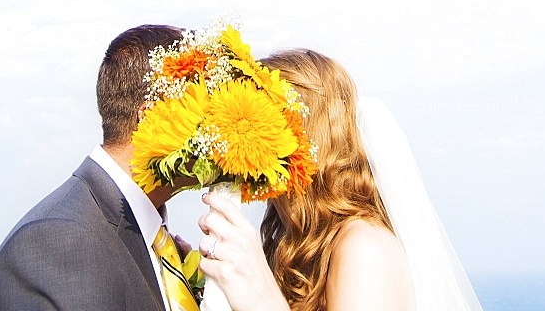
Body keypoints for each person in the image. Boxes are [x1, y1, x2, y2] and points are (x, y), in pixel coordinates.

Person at [197, 49, 483, 311]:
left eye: (253, 119)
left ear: (304, 135)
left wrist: (262, 298)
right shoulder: (289, 239)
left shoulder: (365, 248)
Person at [0, 23, 190, 311]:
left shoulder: (151, 240)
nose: (222, 126)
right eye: (207, 107)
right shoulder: (63, 240)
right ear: (155, 120)